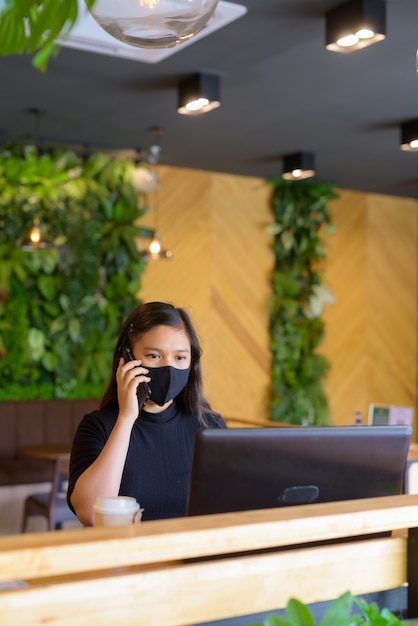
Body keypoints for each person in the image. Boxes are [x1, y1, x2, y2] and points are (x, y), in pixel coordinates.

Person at [67, 301, 226, 526]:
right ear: (127, 358)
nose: (169, 368)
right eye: (154, 356)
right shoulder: (98, 427)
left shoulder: (210, 426)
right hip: (126, 556)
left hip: (192, 555)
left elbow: (225, 505)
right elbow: (90, 513)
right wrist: (126, 419)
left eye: (180, 357)